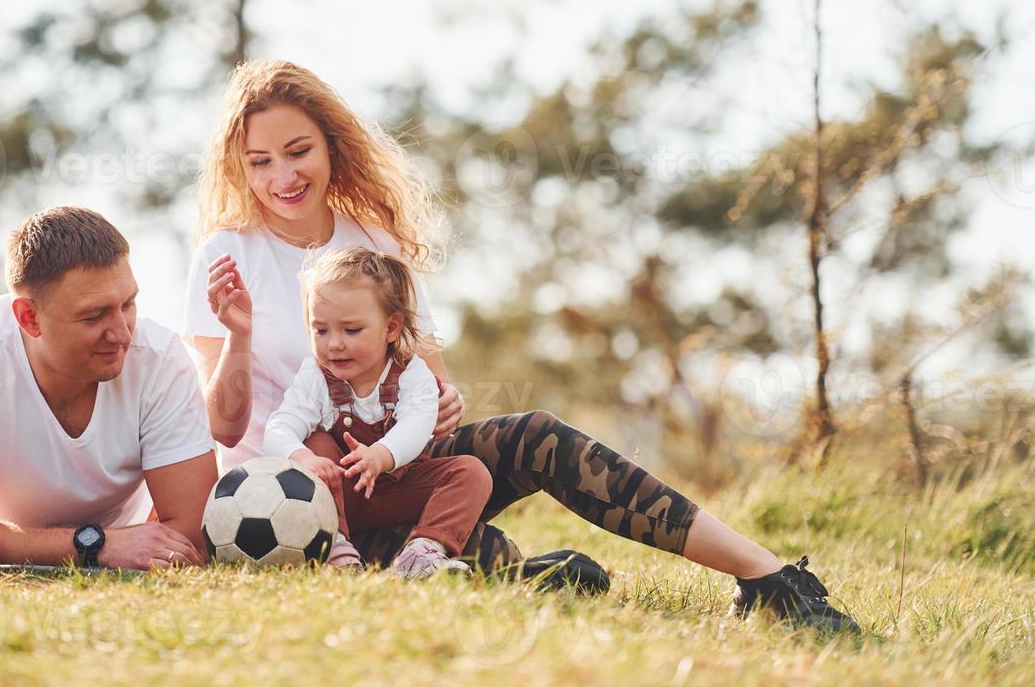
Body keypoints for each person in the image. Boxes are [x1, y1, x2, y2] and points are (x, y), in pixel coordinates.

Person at [184, 59, 858, 631]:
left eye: (298, 151)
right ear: (240, 169)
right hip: (291, 504)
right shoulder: (225, 255)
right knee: (472, 545)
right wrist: (239, 338)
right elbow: (222, 425)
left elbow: (430, 382)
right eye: (260, 162)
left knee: (537, 435)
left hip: (390, 470)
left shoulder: (374, 242)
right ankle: (527, 570)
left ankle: (767, 578)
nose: (282, 177)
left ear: (331, 144)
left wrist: (442, 406)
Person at [0, 206, 218, 570]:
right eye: (94, 316)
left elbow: (194, 532)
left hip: (128, 541)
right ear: (29, 317)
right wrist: (94, 546)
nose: (123, 334)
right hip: (77, 543)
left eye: (128, 304)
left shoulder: (160, 358)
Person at [257, 247, 492, 576]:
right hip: (341, 498)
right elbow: (279, 427)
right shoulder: (316, 377)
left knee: (471, 472)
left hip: (401, 490)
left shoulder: (413, 374)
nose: (334, 343)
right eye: (320, 330)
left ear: (391, 328)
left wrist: (381, 455)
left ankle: (422, 552)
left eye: (351, 330)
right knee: (318, 441)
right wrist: (305, 460)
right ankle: (334, 546)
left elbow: (417, 424)